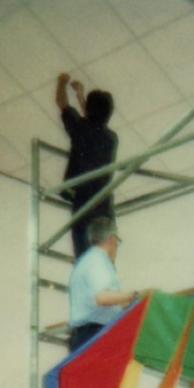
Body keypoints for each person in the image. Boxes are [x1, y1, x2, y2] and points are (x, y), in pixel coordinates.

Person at [56, 73, 118, 259]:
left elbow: (61, 102)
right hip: (104, 206)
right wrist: (80, 94)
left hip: (84, 206)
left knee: (85, 259)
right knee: (104, 260)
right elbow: (93, 119)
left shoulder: (80, 128)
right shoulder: (111, 138)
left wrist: (62, 82)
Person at [68, 216, 140, 353]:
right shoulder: (98, 261)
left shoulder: (85, 262)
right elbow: (102, 297)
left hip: (86, 335)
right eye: (117, 242)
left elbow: (103, 302)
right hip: (95, 334)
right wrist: (133, 296)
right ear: (111, 239)